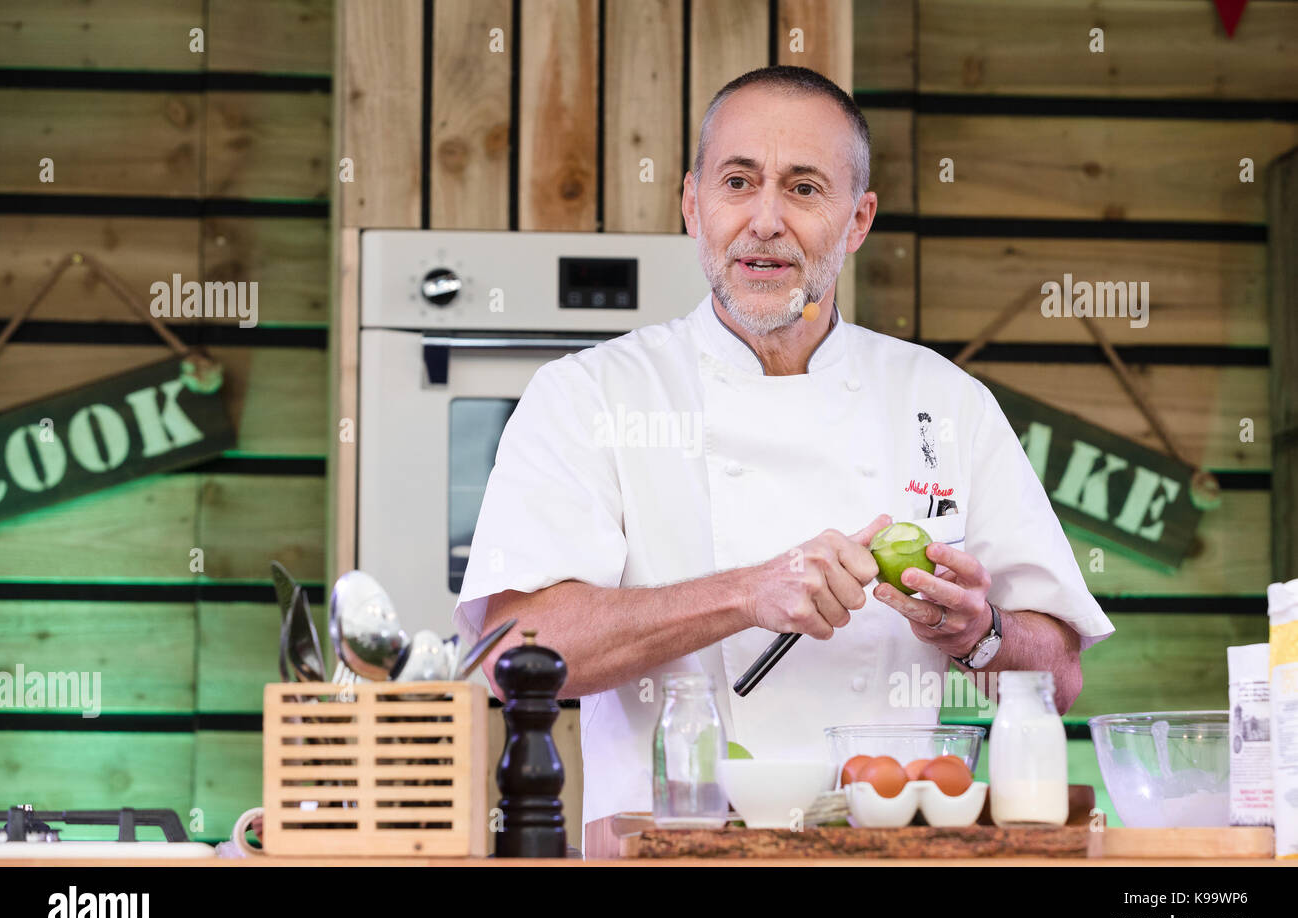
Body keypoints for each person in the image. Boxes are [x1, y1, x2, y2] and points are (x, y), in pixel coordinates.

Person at [452, 65, 1114, 845]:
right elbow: (516, 653)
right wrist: (749, 594)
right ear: (692, 205)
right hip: (663, 852)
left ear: (858, 220)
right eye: (739, 182)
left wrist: (982, 628)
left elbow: (1060, 674)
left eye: (804, 188)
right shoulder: (589, 395)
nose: (765, 220)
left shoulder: (943, 399)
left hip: (887, 853)